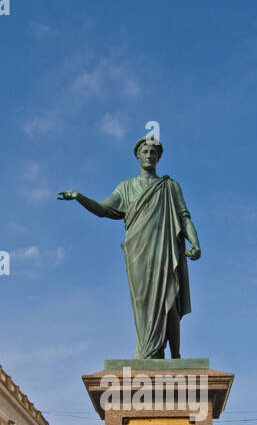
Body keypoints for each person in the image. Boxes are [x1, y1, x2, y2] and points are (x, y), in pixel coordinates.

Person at [57, 137, 201, 358]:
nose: (149, 155)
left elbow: (184, 218)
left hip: (164, 249)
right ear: (138, 155)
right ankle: (149, 350)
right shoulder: (126, 188)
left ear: (159, 157)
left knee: (169, 298)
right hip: (138, 252)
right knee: (143, 303)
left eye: (153, 152)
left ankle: (176, 357)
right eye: (145, 151)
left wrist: (195, 243)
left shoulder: (170, 186)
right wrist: (79, 197)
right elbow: (103, 209)